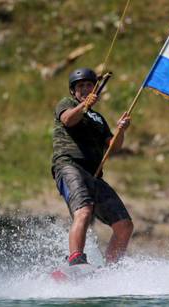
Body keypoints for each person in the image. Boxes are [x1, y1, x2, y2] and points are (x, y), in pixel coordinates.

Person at [51, 67, 134, 266]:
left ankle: (110, 269)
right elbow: (68, 120)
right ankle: (76, 260)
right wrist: (83, 106)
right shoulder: (67, 104)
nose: (86, 89)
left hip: (94, 174)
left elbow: (113, 147)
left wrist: (121, 130)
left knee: (125, 225)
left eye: (90, 85)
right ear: (74, 91)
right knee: (84, 211)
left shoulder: (98, 119)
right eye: (81, 87)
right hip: (69, 165)